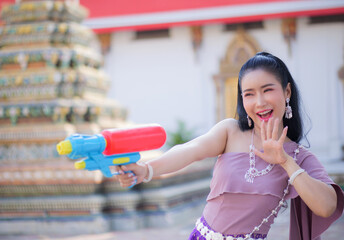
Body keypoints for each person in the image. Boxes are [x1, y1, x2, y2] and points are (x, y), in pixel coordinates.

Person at [114, 52, 344, 240]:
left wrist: (285, 161)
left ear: (287, 91)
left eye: (267, 90)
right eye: (249, 94)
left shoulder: (299, 158)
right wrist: (146, 170)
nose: (260, 102)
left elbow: (326, 207)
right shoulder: (230, 131)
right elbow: (189, 150)